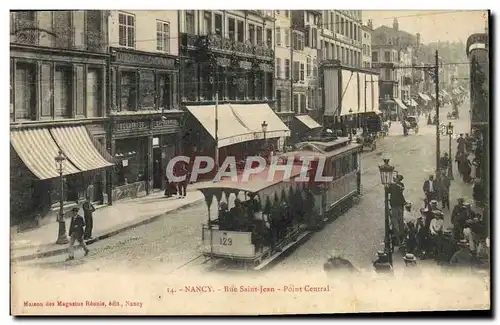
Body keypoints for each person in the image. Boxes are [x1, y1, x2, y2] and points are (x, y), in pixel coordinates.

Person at [389, 175, 407, 245]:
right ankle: (398, 239)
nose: (396, 180)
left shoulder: (400, 185)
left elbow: (401, 189)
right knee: (395, 222)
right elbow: (388, 190)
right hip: (395, 205)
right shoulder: (393, 185)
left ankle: (401, 238)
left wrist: (394, 183)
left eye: (397, 179)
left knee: (400, 221)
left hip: (399, 205)